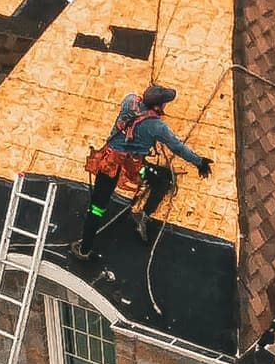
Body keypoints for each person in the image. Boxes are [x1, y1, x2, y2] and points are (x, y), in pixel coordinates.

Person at [72, 83, 212, 261]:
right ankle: (144, 215)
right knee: (163, 179)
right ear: (157, 106)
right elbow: (177, 146)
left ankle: (84, 250)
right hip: (132, 168)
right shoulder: (156, 127)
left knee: (97, 208)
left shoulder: (129, 99)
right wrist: (199, 162)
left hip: (108, 163)